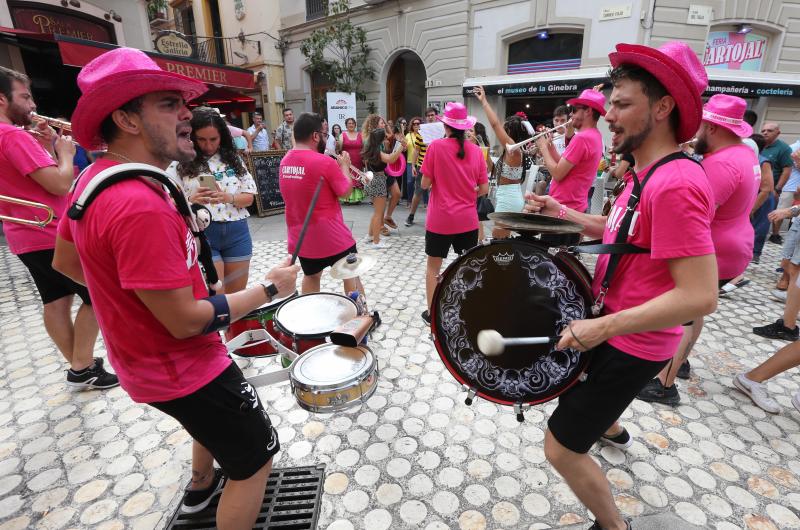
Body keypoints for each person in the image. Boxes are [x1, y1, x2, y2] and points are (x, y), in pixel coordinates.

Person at [52, 47, 299, 529]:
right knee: (255, 461)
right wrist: (270, 288)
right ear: (124, 117)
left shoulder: (93, 178)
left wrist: (135, 300)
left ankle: (201, 487)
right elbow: (185, 321)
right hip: (184, 368)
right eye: (168, 104)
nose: (187, 113)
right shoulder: (138, 203)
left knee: (206, 427)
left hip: (145, 363)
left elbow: (67, 261)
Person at [524, 41, 717, 530]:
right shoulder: (645, 173)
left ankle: (614, 525)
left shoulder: (676, 184)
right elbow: (620, 233)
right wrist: (562, 212)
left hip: (633, 342)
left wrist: (601, 327)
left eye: (622, 104)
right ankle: (611, 427)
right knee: (577, 400)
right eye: (609, 103)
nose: (608, 114)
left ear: (663, 108)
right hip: (616, 329)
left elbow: (700, 296)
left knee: (561, 447)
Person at [637, 94, 760, 405]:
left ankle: (664, 384)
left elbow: (692, 216)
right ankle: (681, 362)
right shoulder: (744, 154)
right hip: (735, 244)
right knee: (695, 313)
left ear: (714, 128)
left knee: (683, 315)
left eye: (701, 127)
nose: (695, 135)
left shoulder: (721, 164)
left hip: (714, 249)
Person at [0, 66, 117, 390]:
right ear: (2, 99)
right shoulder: (11, 135)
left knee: (56, 300)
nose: (32, 103)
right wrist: (64, 153)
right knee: (97, 295)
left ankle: (82, 367)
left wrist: (49, 146)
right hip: (49, 231)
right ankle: (82, 365)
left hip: (23, 235)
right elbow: (59, 184)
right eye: (24, 96)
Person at [173, 108, 257, 294]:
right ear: (192, 136)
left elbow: (249, 198)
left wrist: (229, 197)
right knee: (216, 298)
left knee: (237, 297)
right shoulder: (180, 162)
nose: (208, 146)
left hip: (237, 233)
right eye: (202, 139)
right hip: (203, 234)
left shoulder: (233, 159)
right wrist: (190, 201)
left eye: (214, 139)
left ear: (222, 137)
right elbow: (168, 204)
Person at [279, 112, 365, 295]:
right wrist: (344, 167)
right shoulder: (324, 162)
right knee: (351, 274)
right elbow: (346, 192)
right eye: (325, 135)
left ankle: (312, 318)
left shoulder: (284, 161)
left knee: (311, 276)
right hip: (333, 236)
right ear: (315, 136)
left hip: (302, 236)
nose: (326, 139)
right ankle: (359, 317)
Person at [420, 102, 489, 325]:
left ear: (445, 125)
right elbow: (484, 189)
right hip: (467, 220)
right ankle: (466, 308)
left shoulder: (435, 147)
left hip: (440, 219)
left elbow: (424, 183)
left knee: (433, 267)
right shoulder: (477, 150)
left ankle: (432, 314)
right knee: (466, 266)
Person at [535, 88, 605, 214]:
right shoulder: (595, 135)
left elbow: (557, 174)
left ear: (588, 111)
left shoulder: (582, 138)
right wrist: (550, 147)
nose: (571, 115)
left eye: (574, 110)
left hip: (563, 208)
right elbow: (564, 166)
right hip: (574, 207)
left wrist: (543, 148)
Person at [473, 86, 529, 239]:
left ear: (510, 132)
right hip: (507, 196)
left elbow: (494, 124)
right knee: (502, 240)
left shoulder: (514, 149)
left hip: (509, 199)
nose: (501, 132)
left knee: (499, 241)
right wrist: (485, 154)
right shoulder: (512, 152)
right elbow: (494, 172)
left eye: (505, 129)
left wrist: (484, 101)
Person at [362, 127, 403, 249]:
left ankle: (370, 236)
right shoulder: (377, 152)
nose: (386, 138)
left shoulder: (371, 150)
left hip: (372, 180)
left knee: (376, 212)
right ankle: (376, 241)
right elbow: (391, 159)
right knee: (379, 214)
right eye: (384, 137)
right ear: (380, 139)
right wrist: (400, 147)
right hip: (378, 181)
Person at [405, 107, 439, 226]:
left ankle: (434, 218)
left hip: (438, 167)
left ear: (436, 116)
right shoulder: (421, 132)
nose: (430, 117)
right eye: (428, 115)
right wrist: (413, 165)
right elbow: (416, 150)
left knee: (438, 193)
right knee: (418, 191)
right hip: (422, 165)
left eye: (432, 115)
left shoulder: (442, 131)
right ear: (426, 117)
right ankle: (411, 216)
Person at [761, 122, 793, 244]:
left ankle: (757, 247)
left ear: (778, 133)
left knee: (764, 218)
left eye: (769, 131)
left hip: (770, 190)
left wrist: (777, 189)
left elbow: (787, 171)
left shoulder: (784, 149)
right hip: (755, 188)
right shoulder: (760, 145)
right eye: (763, 130)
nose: (765, 133)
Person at [383, 122, 407, 232]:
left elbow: (402, 149)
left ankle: (387, 217)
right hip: (378, 170)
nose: (385, 124)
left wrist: (403, 145)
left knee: (397, 193)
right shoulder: (375, 137)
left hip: (389, 169)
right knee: (381, 199)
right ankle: (379, 225)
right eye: (382, 123)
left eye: (386, 124)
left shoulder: (392, 137)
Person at [403, 117, 421, 202]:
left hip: (422, 161)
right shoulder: (408, 135)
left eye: (418, 123)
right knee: (410, 182)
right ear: (412, 125)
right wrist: (404, 147)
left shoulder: (424, 134)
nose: (416, 125)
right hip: (410, 161)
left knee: (421, 183)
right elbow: (404, 149)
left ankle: (425, 202)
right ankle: (409, 201)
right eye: (414, 124)